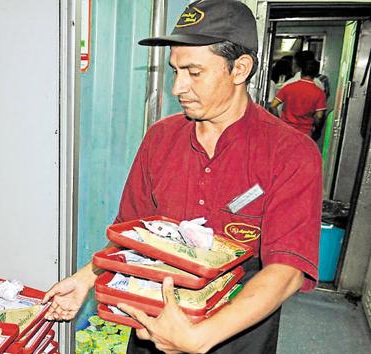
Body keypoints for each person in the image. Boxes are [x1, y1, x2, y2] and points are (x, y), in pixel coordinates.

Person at [42, 1, 321, 353]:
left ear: (240, 69)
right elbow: (133, 230)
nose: (177, 88)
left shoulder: (290, 152)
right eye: (175, 71)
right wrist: (87, 277)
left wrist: (197, 338)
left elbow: (287, 269)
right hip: (152, 322)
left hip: (237, 333)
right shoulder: (161, 138)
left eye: (194, 72)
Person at [271, 58, 327, 141]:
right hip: (305, 133)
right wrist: (315, 129)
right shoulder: (319, 93)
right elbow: (319, 116)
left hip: (286, 131)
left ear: (301, 72)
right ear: (315, 74)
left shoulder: (289, 87)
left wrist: (279, 120)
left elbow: (273, 105)